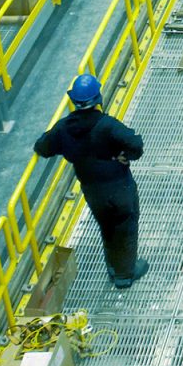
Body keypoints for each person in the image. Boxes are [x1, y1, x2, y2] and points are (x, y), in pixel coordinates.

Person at [32, 74, 148, 289]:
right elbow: (136, 144)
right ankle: (124, 275)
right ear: (98, 98)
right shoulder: (107, 125)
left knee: (107, 226)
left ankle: (113, 266)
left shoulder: (64, 128)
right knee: (125, 227)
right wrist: (124, 155)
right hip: (119, 187)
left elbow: (42, 147)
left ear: (74, 100)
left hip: (92, 190)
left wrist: (69, 148)